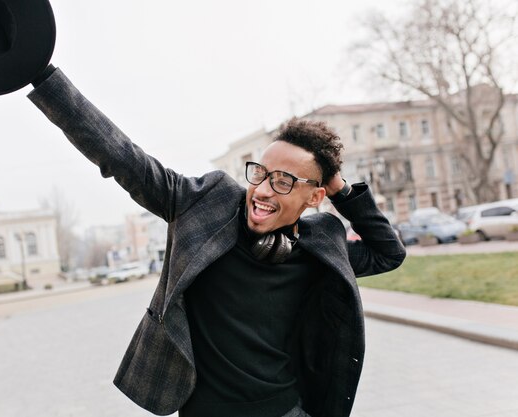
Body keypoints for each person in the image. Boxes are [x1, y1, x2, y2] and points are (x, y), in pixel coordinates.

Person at [26, 65, 405, 417]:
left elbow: (388, 252)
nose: (263, 190)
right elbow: (123, 158)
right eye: (260, 174)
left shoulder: (320, 245)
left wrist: (338, 185)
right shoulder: (205, 206)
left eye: (285, 181)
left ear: (314, 198)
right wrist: (43, 77)